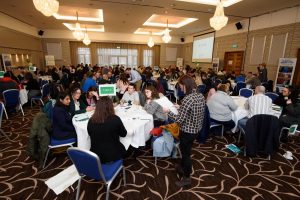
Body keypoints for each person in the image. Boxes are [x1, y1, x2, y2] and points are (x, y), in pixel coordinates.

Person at [163, 75, 205, 188]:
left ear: (185, 85)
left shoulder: (187, 99)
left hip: (187, 131)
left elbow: (179, 120)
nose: (180, 88)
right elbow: (193, 111)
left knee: (186, 154)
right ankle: (181, 167)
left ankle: (187, 178)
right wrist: (180, 107)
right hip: (196, 129)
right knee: (186, 149)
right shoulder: (200, 95)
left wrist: (168, 112)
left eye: (181, 86)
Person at [87, 96, 127, 163]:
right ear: (110, 107)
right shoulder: (115, 119)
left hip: (96, 155)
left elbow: (89, 133)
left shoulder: (91, 120)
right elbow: (124, 134)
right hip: (113, 154)